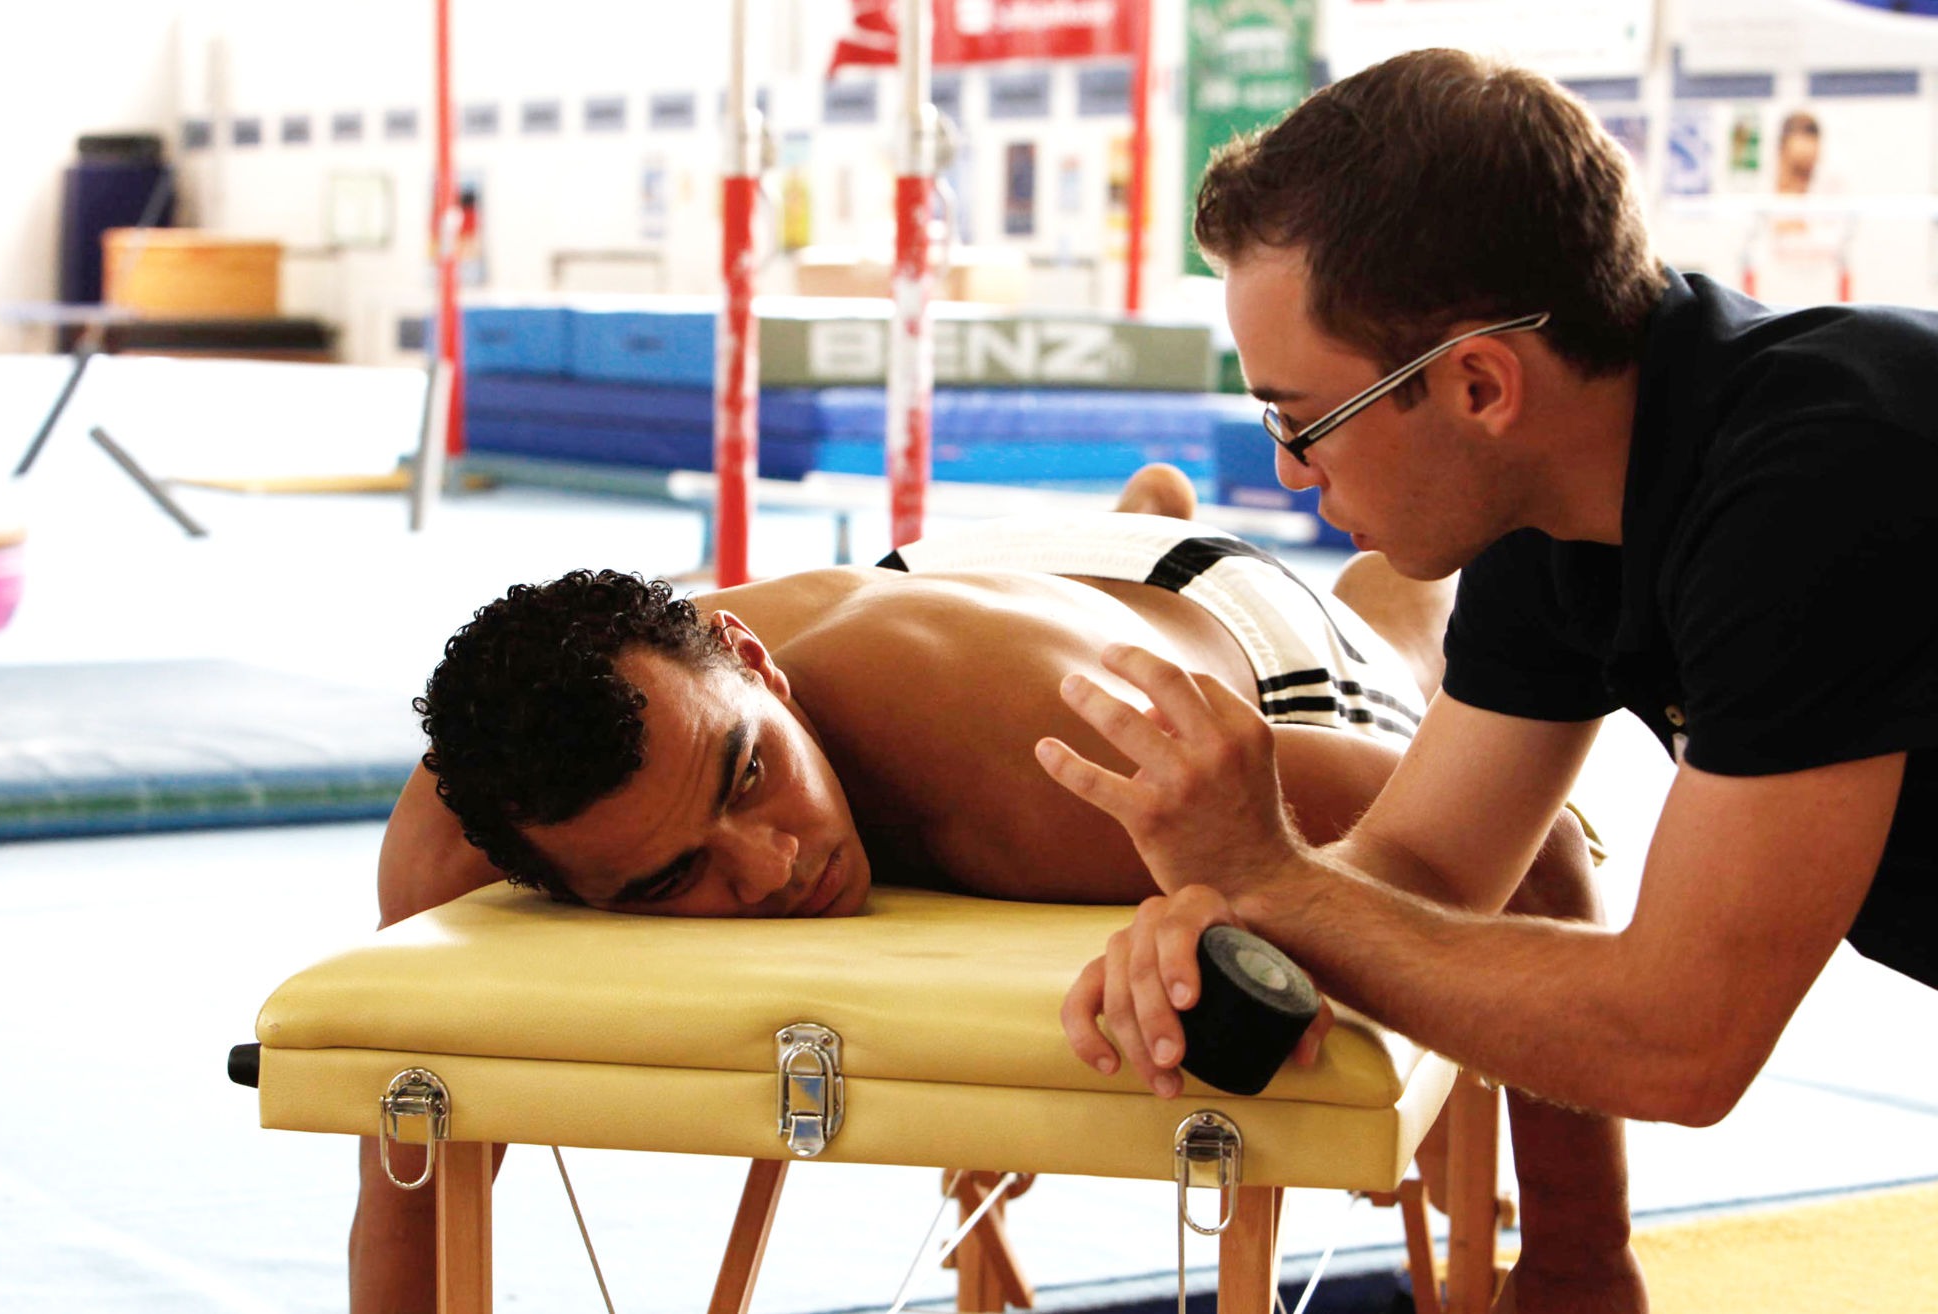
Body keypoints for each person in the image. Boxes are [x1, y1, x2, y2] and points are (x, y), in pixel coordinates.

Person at [1039, 48, 1938, 1314]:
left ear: (1474, 383)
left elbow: (1681, 1039)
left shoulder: (1815, 480)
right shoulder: (1558, 505)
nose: (1291, 473)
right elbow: (1423, 865)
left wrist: (1277, 882)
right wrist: (1224, 921)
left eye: (1298, 419)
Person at [351, 466, 1621, 1310]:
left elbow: (1543, 856)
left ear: (755, 664)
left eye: (751, 777)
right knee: (1052, 616)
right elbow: (401, 1178)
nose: (773, 863)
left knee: (1403, 633)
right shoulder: (453, 849)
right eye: (676, 877)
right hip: (985, 568)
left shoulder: (1030, 774)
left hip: (1225, 633)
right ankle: (1136, 511)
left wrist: (1577, 1254)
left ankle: (1344, 577)